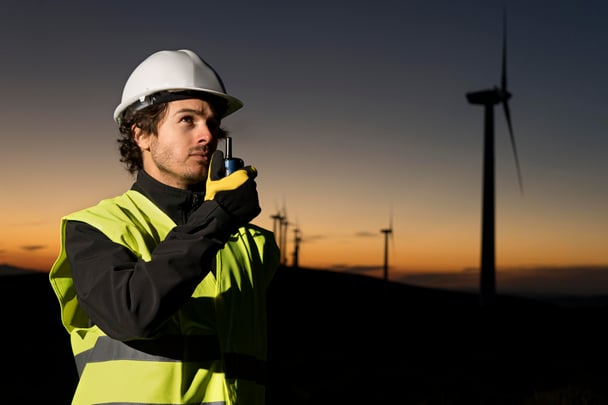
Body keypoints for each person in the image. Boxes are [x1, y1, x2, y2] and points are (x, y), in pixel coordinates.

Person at [49, 49, 280, 405]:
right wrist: (216, 217)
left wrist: (220, 219)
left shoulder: (254, 243)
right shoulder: (96, 229)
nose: (207, 135)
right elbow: (132, 315)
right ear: (142, 134)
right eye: (187, 120)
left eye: (212, 123)